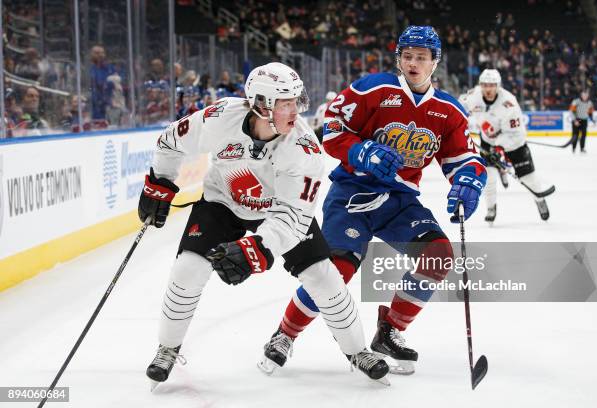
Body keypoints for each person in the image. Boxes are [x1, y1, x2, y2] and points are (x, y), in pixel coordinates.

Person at [138, 62, 390, 388]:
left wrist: (258, 248)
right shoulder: (219, 118)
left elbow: (294, 217)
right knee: (187, 269)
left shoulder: (304, 149)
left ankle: (357, 351)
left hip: (279, 213)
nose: (295, 111)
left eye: (297, 101)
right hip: (222, 204)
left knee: (323, 277)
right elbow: (170, 141)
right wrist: (160, 181)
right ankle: (168, 348)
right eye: (285, 103)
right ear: (260, 104)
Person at [259, 26, 487, 376]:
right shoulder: (372, 88)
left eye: (421, 57)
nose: (413, 63)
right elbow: (332, 130)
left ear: (435, 63)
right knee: (336, 273)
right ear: (399, 58)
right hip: (352, 193)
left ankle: (390, 331)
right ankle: (284, 335)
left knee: (438, 254)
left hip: (399, 200)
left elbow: (462, 158)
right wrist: (360, 150)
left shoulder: (449, 110)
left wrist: (470, 179)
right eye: (407, 56)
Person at [461, 68, 555, 222]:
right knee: (488, 179)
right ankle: (491, 208)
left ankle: (539, 200)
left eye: (491, 85)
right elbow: (458, 109)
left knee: (529, 179)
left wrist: (499, 148)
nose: (488, 89)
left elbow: (515, 134)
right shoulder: (474, 96)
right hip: (488, 143)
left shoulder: (509, 103)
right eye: (484, 85)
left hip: (514, 146)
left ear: (498, 86)